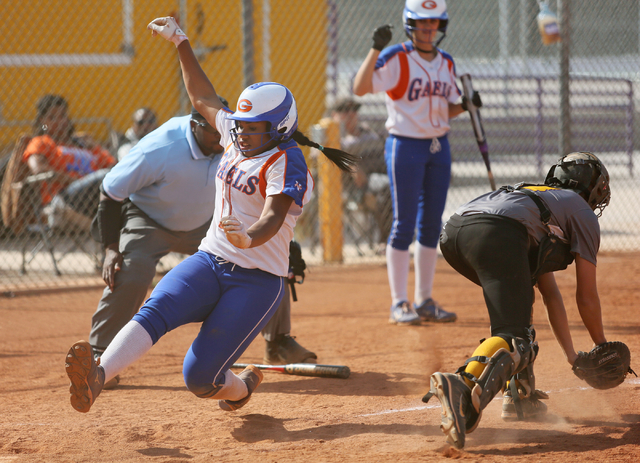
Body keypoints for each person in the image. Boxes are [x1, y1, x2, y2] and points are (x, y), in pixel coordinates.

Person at [64, 16, 356, 414]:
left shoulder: (288, 160)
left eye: (254, 127)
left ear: (281, 128)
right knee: (155, 310)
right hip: (209, 259)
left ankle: (243, 386)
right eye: (240, 124)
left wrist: (247, 238)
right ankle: (98, 376)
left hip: (256, 281)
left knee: (200, 378)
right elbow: (200, 93)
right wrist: (181, 41)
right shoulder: (236, 135)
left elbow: (272, 216)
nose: (240, 132)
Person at [89, 103, 317, 390]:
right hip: (151, 220)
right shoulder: (161, 148)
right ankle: (100, 356)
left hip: (204, 223)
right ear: (194, 125)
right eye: (217, 130)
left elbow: (265, 207)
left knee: (272, 263)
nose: (227, 137)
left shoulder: (238, 144)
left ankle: (278, 341)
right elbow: (110, 192)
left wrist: (274, 240)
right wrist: (111, 247)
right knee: (132, 272)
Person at [424, 152, 612, 449]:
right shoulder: (582, 213)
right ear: (593, 188)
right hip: (496, 234)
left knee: (519, 321)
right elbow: (586, 296)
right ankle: (462, 386)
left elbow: (550, 296)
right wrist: (601, 344)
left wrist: (572, 357)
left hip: (456, 234)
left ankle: (519, 397)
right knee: (514, 339)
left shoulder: (542, 199)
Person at [353, 0, 483, 326]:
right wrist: (374, 48)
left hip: (439, 147)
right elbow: (360, 88)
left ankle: (424, 299)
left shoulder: (446, 63)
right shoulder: (397, 57)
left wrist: (465, 105)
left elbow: (445, 107)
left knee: (431, 224)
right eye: (422, 23)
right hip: (405, 145)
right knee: (404, 223)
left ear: (441, 26)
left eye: (433, 24)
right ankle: (399, 302)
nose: (428, 29)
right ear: (410, 24)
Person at [22, 94, 116, 231]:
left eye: (62, 116)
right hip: (65, 197)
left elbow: (115, 166)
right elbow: (38, 169)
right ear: (42, 121)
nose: (60, 121)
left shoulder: (82, 142)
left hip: (97, 194)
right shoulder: (42, 142)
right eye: (52, 117)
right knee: (105, 177)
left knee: (120, 176)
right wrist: (72, 180)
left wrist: (95, 147)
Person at [331, 98, 390, 254]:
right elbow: (321, 159)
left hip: (381, 172)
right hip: (356, 186)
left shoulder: (367, 131)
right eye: (345, 110)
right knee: (386, 190)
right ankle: (386, 242)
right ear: (334, 115)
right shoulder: (332, 135)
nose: (351, 114)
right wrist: (351, 166)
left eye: (354, 110)